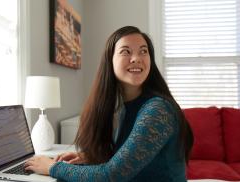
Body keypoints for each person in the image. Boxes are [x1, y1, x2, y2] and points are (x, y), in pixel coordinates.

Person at [24, 26, 194, 181]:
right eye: (126, 51)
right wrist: (88, 158)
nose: (136, 58)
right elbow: (129, 160)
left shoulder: (157, 109)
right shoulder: (121, 106)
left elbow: (112, 175)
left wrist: (52, 167)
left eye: (143, 51)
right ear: (110, 60)